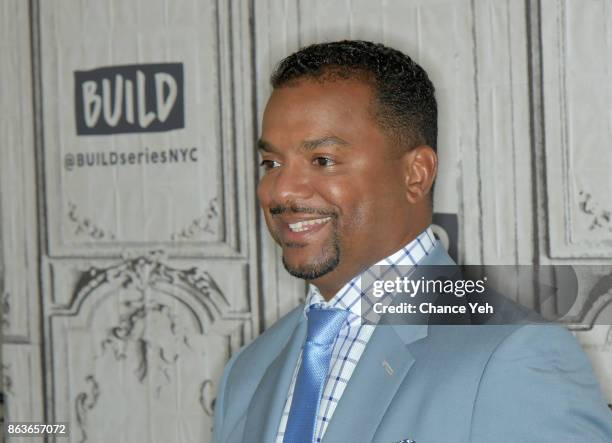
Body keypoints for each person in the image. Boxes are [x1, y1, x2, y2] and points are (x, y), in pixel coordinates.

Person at [212, 40, 612, 443]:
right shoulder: (247, 372)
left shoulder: (514, 356)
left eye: (323, 161)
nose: (281, 192)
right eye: (272, 164)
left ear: (416, 174)